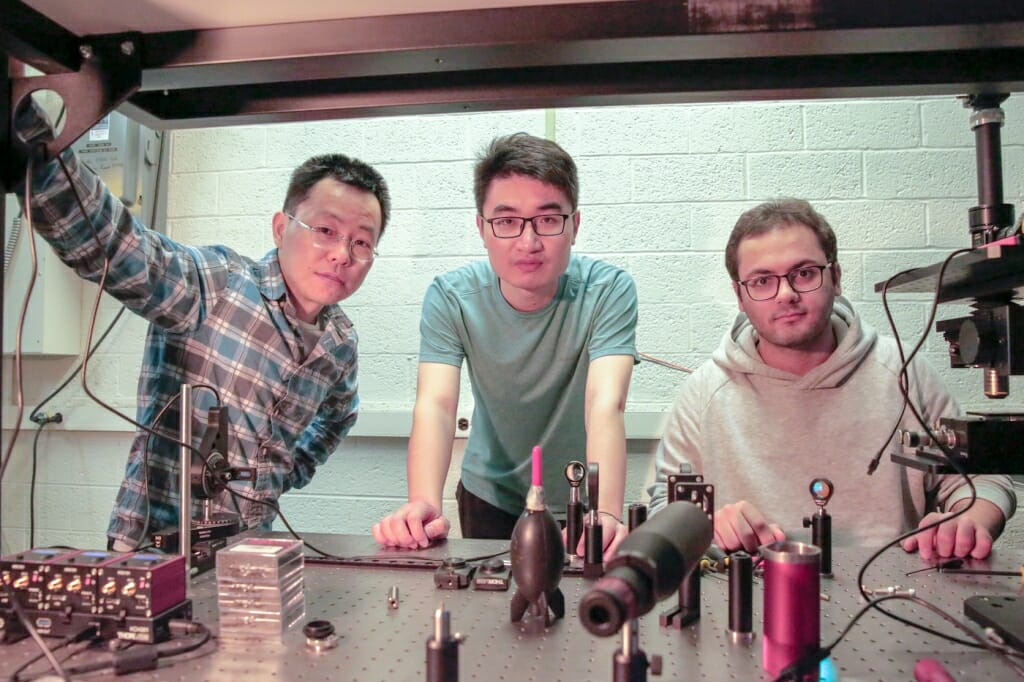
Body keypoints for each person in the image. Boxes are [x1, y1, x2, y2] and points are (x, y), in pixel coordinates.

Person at [15, 101, 391, 550]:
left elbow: (338, 418)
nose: (342, 254)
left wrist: (282, 471)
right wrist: (23, 132)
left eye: (362, 242)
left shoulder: (339, 343)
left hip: (251, 552)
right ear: (280, 227)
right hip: (155, 550)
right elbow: (118, 247)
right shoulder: (217, 285)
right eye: (326, 230)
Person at [647, 199, 1016, 560]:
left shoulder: (904, 372)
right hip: (749, 603)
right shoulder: (705, 391)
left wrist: (968, 521)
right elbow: (664, 505)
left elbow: (984, 481)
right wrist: (707, 522)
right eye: (762, 281)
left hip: (890, 599)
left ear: (835, 276)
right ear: (740, 296)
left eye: (804, 273)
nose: (786, 294)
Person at [372, 133, 638, 557]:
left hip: (575, 497)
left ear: (574, 226)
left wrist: (606, 511)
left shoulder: (609, 290)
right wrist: (423, 502)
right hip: (488, 495)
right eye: (507, 220)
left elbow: (605, 403)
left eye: (548, 220)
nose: (528, 241)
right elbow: (436, 405)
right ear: (482, 228)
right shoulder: (451, 297)